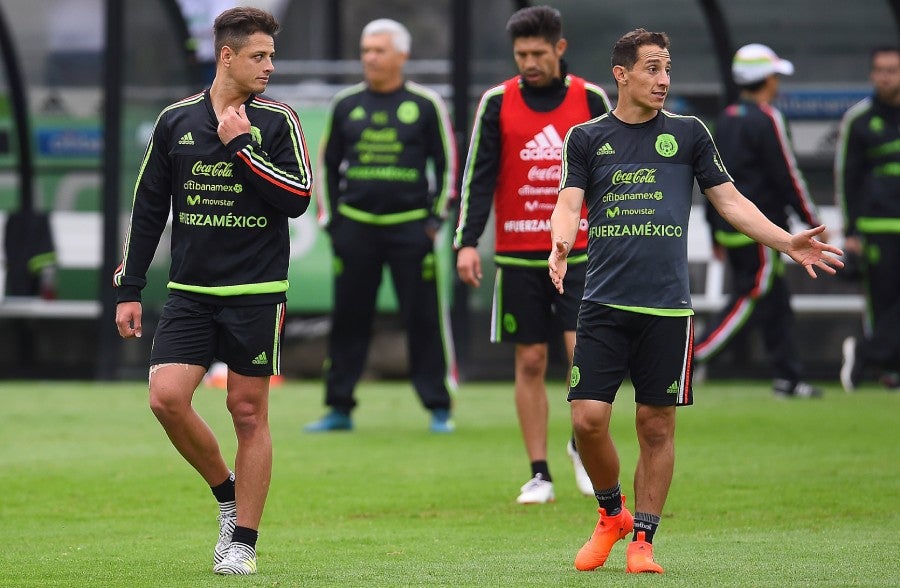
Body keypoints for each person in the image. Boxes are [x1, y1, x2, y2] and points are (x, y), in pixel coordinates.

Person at [549, 29, 842, 574]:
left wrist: (785, 240)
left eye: (667, 69)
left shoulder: (689, 133)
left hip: (667, 308)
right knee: (588, 420)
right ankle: (611, 513)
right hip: (605, 304)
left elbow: (730, 201)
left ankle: (643, 540)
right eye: (652, 69)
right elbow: (568, 203)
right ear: (622, 74)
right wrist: (561, 239)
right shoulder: (586, 138)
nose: (663, 80)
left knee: (655, 425)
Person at [114, 7, 313, 575]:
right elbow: (149, 207)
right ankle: (226, 493)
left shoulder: (277, 122)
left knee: (247, 412)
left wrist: (243, 148)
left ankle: (242, 543)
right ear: (226, 55)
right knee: (165, 399)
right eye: (259, 55)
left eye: (271, 56)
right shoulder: (175, 120)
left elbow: (296, 199)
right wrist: (130, 286)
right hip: (190, 292)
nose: (269, 66)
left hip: (257, 291)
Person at [454, 5, 611, 504]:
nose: (528, 62)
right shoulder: (497, 102)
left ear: (559, 49)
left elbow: (611, 174)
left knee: (581, 359)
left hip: (582, 254)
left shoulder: (590, 98)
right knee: (529, 360)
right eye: (520, 54)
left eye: (538, 53)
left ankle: (581, 447)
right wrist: (465, 243)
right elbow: (477, 177)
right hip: (519, 255)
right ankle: (539, 473)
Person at [304, 19, 458, 433]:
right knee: (348, 320)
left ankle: (438, 407)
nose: (369, 57)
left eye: (379, 50)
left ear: (402, 56)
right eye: (365, 49)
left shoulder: (425, 104)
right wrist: (332, 223)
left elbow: (447, 167)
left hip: (411, 230)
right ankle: (339, 408)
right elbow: (326, 166)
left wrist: (434, 220)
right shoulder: (345, 103)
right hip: (355, 230)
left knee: (422, 320)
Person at [694, 44, 824, 398]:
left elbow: (710, 180)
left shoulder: (727, 118)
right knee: (751, 294)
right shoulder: (767, 118)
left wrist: (715, 233)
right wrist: (813, 222)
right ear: (766, 79)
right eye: (775, 76)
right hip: (762, 230)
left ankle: (789, 378)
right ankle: (692, 356)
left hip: (730, 228)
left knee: (776, 302)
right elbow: (788, 176)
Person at [836, 45, 900, 392]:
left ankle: (865, 353)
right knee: (884, 300)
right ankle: (888, 369)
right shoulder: (859, 120)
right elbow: (847, 177)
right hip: (877, 228)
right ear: (872, 74)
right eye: (881, 70)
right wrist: (851, 230)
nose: (886, 76)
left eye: (893, 69)